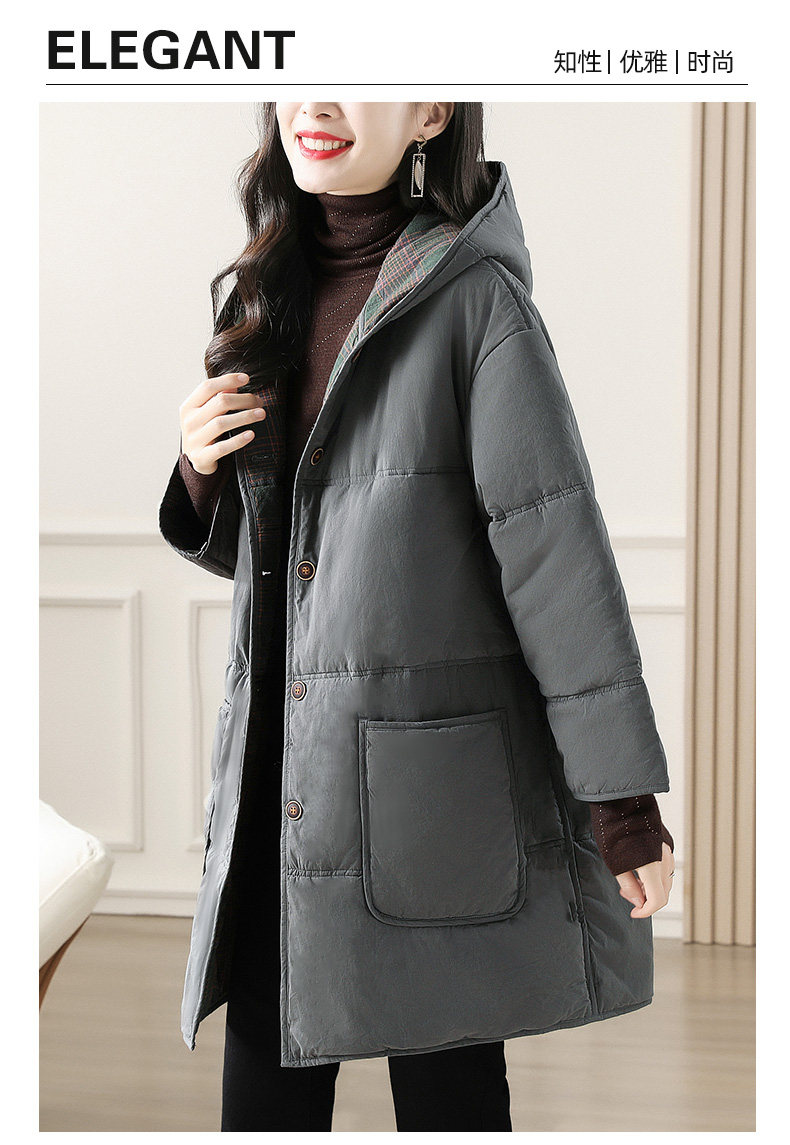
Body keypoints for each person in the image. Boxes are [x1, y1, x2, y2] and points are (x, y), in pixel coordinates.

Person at [161, 102, 675, 1132]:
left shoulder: (477, 303)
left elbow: (555, 553)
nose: (318, 103)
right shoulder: (264, 293)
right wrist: (199, 472)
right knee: (263, 1098)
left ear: (431, 110)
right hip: (279, 788)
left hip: (433, 800)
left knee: (449, 1097)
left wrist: (622, 804)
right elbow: (286, 563)